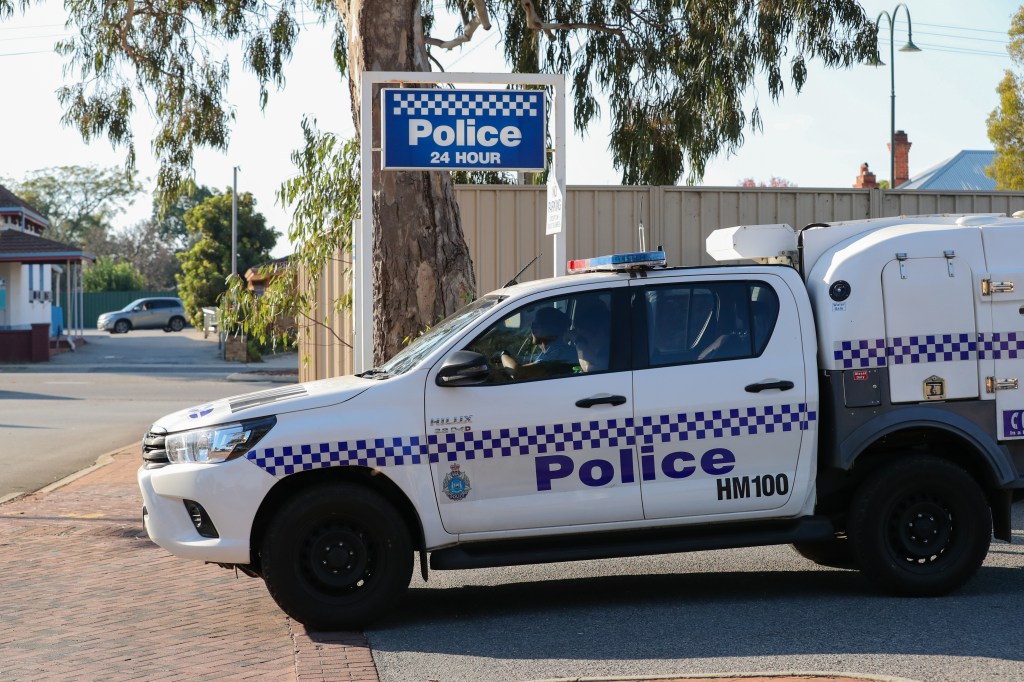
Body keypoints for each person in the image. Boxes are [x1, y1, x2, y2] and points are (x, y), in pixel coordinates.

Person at [500, 306, 576, 379]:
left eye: (536, 324)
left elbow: (517, 373)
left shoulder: (557, 355)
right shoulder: (552, 351)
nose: (532, 328)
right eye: (533, 324)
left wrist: (503, 354)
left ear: (551, 329)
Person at [571, 299, 611, 373]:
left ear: (600, 331)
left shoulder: (609, 351)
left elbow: (589, 369)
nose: (585, 343)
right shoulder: (596, 352)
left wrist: (578, 340)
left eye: (584, 336)